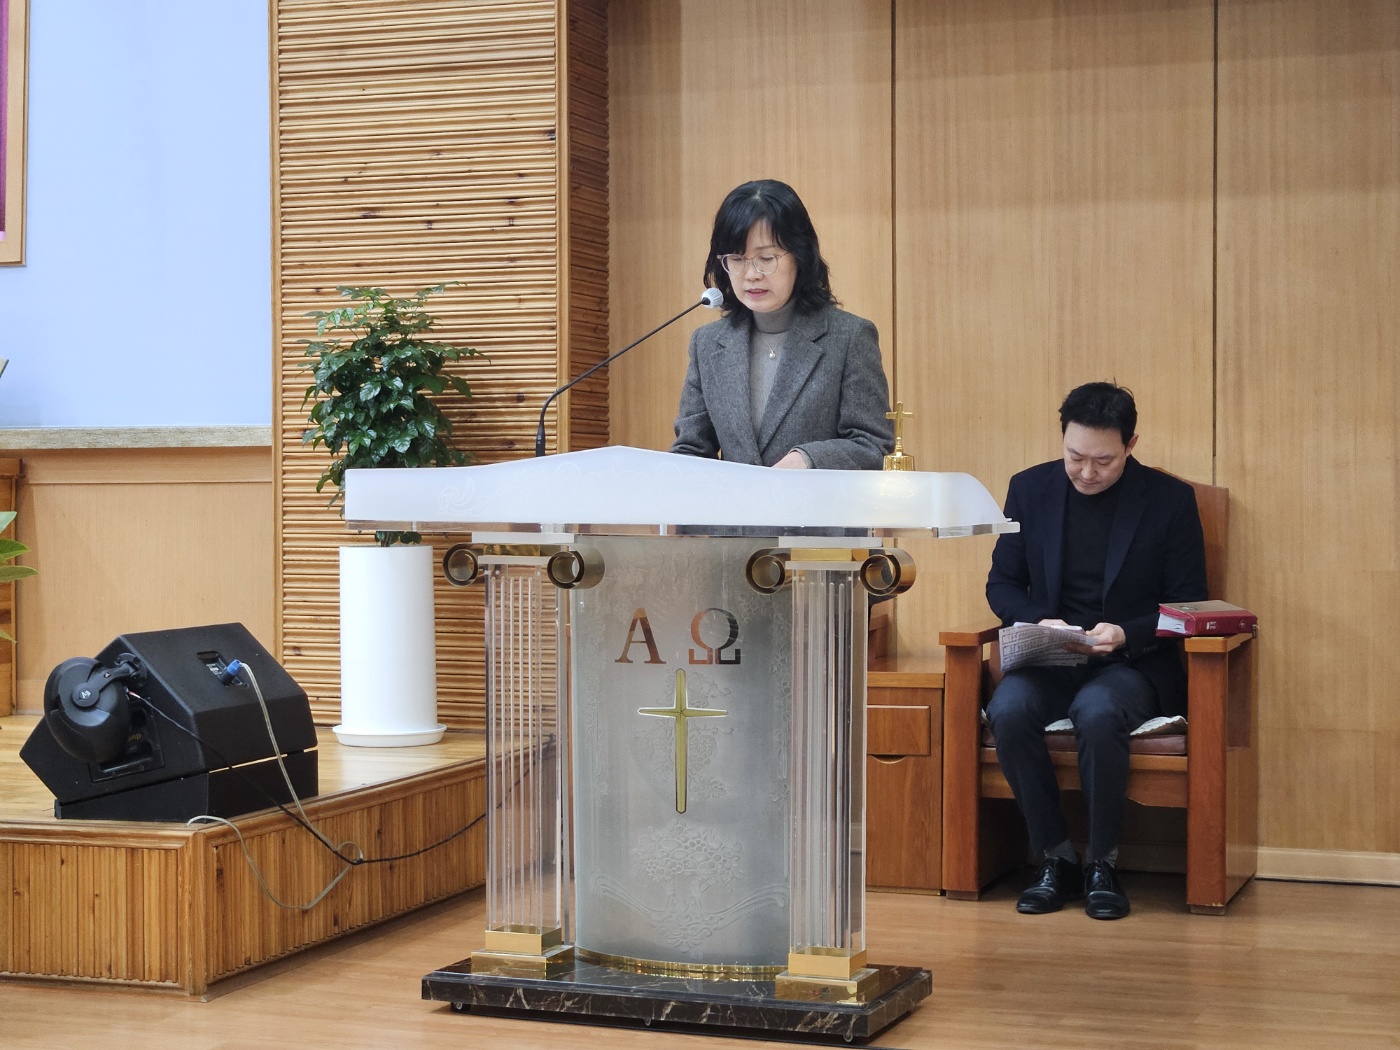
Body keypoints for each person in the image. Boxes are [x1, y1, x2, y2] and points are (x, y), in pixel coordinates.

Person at [984, 382, 1207, 920]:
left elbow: (1189, 601)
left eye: (1103, 460)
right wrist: (1041, 621)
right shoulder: (1029, 489)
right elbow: (1001, 585)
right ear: (1062, 438)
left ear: (1131, 444)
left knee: (1099, 710)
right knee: (1008, 709)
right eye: (1075, 456)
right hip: (1052, 655)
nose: (1086, 472)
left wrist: (1126, 632)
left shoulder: (1169, 500)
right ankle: (1055, 858)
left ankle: (1102, 865)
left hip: (1129, 661)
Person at [670, 179, 894, 469]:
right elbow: (691, 449)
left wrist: (809, 459)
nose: (751, 274)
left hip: (816, 499)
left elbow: (873, 445)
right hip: (735, 502)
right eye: (736, 259)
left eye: (766, 258)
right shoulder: (707, 344)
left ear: (799, 257)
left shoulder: (849, 338)